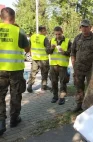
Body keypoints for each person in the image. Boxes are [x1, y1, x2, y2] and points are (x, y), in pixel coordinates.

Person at [0, 7, 29, 135]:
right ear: (14, 18)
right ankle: (14, 119)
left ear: (1, 18)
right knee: (16, 95)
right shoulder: (19, 31)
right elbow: (27, 49)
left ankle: (1, 122)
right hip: (16, 70)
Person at [71, 19, 93, 112]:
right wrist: (73, 64)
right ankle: (79, 104)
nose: (84, 29)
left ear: (90, 27)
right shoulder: (77, 38)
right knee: (78, 87)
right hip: (78, 68)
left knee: (90, 89)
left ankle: (88, 107)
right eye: (82, 27)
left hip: (90, 69)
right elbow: (73, 52)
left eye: (86, 27)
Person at [47, 26, 71, 105]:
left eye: (59, 34)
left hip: (62, 66)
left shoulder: (68, 41)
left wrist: (64, 52)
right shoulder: (52, 40)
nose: (57, 36)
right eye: (56, 34)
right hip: (53, 65)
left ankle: (62, 97)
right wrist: (51, 48)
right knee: (53, 82)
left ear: (62, 32)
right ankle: (55, 96)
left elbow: (71, 52)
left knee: (63, 82)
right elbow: (48, 51)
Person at [27, 26, 51, 92]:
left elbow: (28, 47)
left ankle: (30, 85)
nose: (46, 32)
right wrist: (52, 48)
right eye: (45, 31)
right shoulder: (44, 38)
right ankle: (43, 86)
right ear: (42, 31)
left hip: (35, 58)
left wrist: (31, 54)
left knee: (33, 72)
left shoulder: (32, 37)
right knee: (44, 73)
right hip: (43, 59)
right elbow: (48, 50)